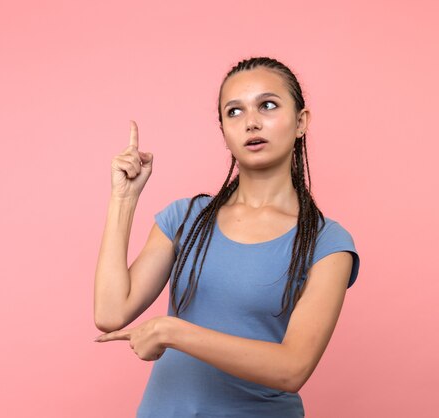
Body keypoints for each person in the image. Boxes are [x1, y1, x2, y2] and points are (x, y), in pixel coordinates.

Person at [93, 56, 360, 417]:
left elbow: (292, 368)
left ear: (301, 122)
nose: (251, 122)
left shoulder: (326, 243)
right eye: (234, 112)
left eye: (267, 105)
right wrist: (124, 199)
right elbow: (111, 312)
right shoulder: (187, 218)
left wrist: (174, 332)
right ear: (223, 132)